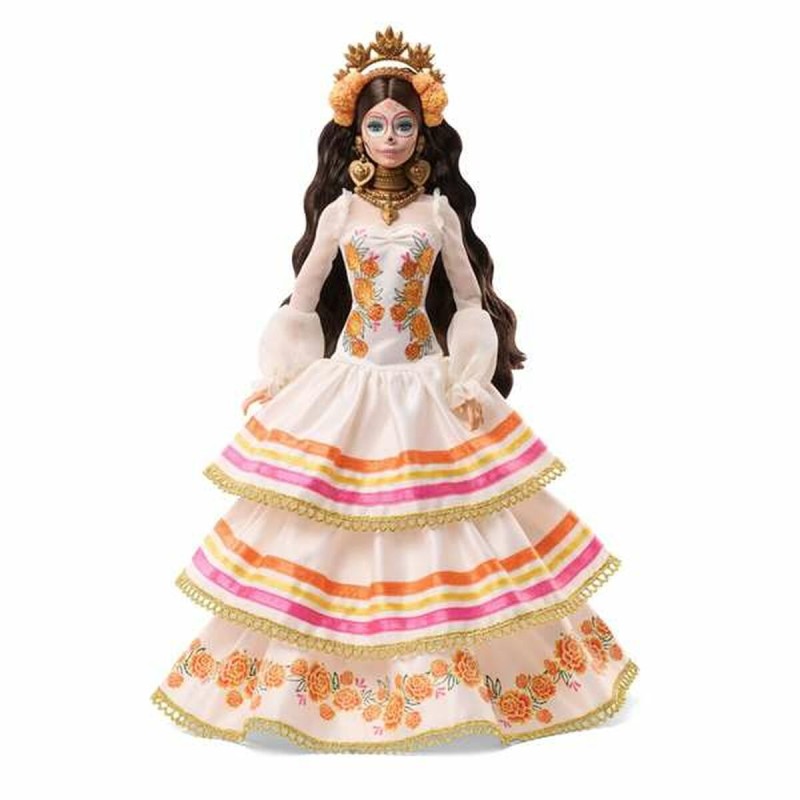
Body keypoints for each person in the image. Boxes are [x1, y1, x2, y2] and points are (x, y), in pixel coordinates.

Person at [150, 25, 639, 753]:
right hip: (349, 382)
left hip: (423, 385)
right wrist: (280, 376)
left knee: (447, 524)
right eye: (377, 125)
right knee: (325, 523)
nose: (390, 137)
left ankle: (471, 679)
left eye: (403, 125)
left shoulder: (437, 213)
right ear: (356, 133)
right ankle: (303, 688)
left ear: (423, 132)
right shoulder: (339, 213)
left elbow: (468, 301)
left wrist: (470, 375)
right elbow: (304, 300)